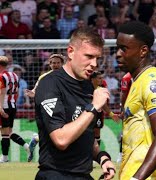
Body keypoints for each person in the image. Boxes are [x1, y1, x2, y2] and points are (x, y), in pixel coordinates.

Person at [34, 27, 115, 179]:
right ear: (70, 51)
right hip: (56, 175)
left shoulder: (88, 86)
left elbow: (84, 136)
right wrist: (93, 107)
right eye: (89, 56)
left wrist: (102, 158)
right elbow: (61, 139)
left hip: (83, 175)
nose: (94, 64)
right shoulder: (50, 84)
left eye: (97, 58)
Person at [116, 21, 156, 179]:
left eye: (124, 49)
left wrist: (136, 178)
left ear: (143, 51)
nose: (118, 53)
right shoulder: (138, 82)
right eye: (118, 47)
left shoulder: (153, 83)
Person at [25, 53, 65, 162]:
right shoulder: (44, 77)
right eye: (53, 63)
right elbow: (35, 90)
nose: (55, 65)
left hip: (65, 107)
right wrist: (32, 93)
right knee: (57, 133)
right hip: (51, 107)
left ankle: (36, 139)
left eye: (58, 63)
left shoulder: (68, 76)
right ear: (50, 64)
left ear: (62, 64)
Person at [0, 55, 31, 163]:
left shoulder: (1, 76)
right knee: (9, 132)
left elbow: (2, 92)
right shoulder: (14, 75)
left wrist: (1, 108)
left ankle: (4, 158)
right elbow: (17, 92)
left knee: (4, 133)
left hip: (4, 106)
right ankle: (26, 145)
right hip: (13, 105)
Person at [90, 71, 120, 146]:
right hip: (88, 113)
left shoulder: (102, 88)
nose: (101, 80)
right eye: (99, 78)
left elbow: (103, 104)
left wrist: (111, 114)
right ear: (93, 79)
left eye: (102, 78)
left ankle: (96, 153)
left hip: (98, 113)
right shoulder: (86, 87)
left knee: (97, 132)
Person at [117, 72, 132, 164]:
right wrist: (123, 109)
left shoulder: (142, 76)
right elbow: (123, 93)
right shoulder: (127, 77)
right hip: (128, 108)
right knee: (125, 132)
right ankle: (121, 154)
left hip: (140, 108)